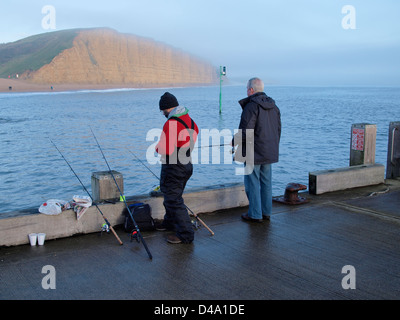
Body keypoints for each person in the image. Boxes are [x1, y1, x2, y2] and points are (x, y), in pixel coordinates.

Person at [232, 78, 281, 222]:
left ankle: (255, 214)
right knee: (266, 183)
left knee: (252, 183)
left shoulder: (251, 106)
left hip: (253, 152)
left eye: (247, 88)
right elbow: (278, 130)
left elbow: (245, 130)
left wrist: (234, 141)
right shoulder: (274, 106)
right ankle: (266, 212)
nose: (246, 91)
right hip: (269, 151)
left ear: (251, 90)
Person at [155, 92, 199, 244]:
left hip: (173, 167)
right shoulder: (190, 121)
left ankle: (186, 234)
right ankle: (169, 223)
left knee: (174, 200)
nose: (163, 114)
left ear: (167, 109)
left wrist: (157, 148)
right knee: (172, 197)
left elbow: (164, 149)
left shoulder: (171, 123)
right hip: (187, 165)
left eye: (163, 111)